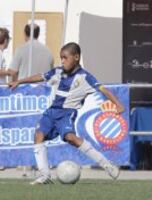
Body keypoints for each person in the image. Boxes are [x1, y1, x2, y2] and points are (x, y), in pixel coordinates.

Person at [9, 42, 124, 185]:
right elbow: (41, 76)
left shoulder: (85, 77)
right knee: (38, 135)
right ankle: (45, 175)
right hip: (51, 112)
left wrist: (118, 105)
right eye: (61, 58)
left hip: (66, 113)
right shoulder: (58, 71)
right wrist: (19, 81)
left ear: (76, 57)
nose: (62, 61)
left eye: (65, 58)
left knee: (71, 138)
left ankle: (107, 165)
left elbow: (103, 90)